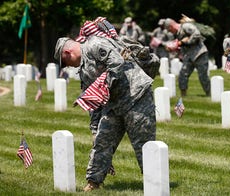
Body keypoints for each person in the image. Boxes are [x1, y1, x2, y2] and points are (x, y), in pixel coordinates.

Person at [54, 35, 157, 191]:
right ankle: (93, 182)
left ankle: (156, 184)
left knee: (144, 144)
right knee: (101, 142)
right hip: (113, 104)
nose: (68, 66)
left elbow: (117, 62)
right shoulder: (83, 70)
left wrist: (102, 86)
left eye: (66, 62)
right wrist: (94, 128)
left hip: (136, 96)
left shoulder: (95, 44)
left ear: (68, 52)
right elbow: (93, 101)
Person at [163, 17, 210, 97]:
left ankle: (210, 94)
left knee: (203, 77)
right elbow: (182, 45)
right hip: (188, 56)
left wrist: (186, 41)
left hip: (199, 54)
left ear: (170, 26)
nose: (170, 32)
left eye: (169, 30)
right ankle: (183, 96)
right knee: (182, 75)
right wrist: (174, 47)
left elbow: (197, 34)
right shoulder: (178, 34)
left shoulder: (185, 26)